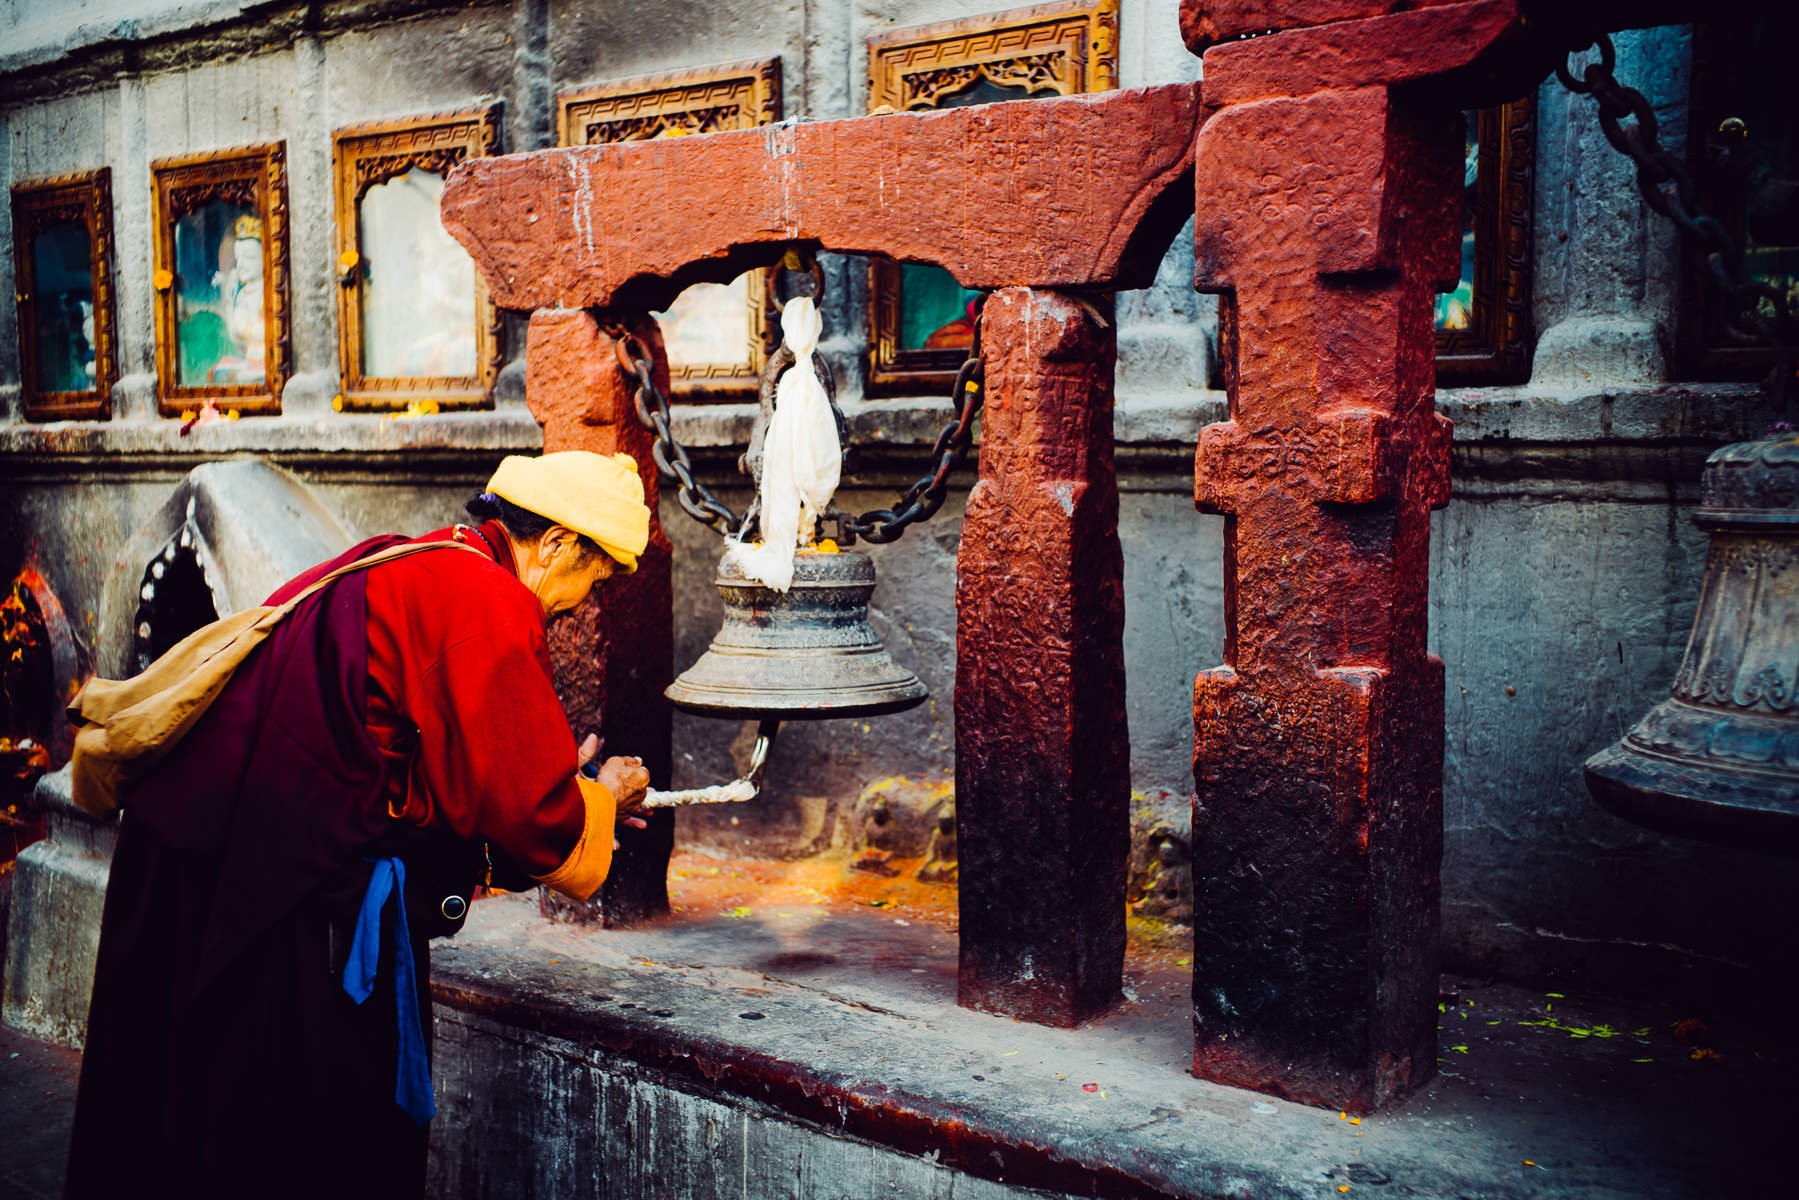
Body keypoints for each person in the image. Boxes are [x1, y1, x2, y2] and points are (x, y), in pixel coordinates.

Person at [63, 451, 655, 1200]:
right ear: (562, 544)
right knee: (287, 1119)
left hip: (200, 843)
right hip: (271, 880)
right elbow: (533, 815)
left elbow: (434, 755)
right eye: (592, 579)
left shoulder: (423, 558)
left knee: (191, 1094)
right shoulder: (484, 597)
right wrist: (601, 797)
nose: (576, 607)